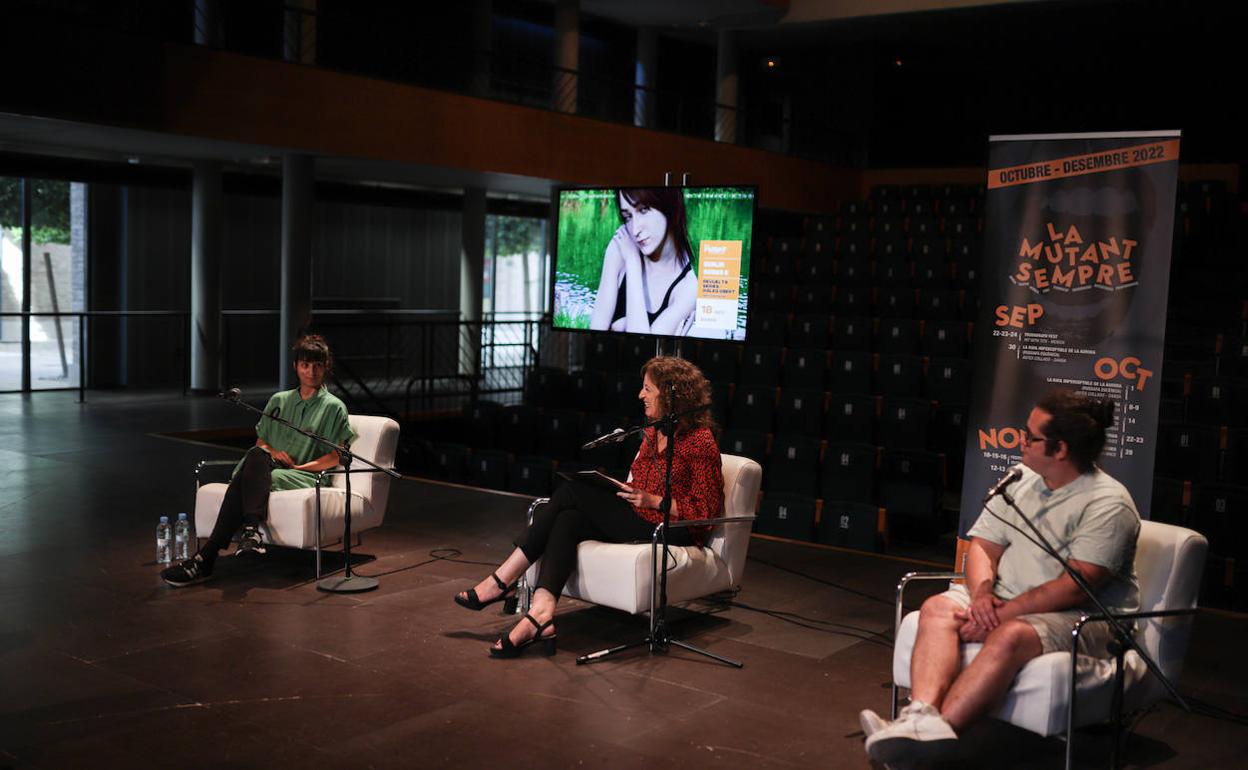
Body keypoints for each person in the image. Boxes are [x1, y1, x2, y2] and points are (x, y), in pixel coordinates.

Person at [860, 389, 1140, 768]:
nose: (1019, 440)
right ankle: (919, 717)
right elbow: (983, 546)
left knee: (1011, 634)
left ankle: (935, 736)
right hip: (1003, 599)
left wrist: (1001, 615)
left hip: (1084, 617)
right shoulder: (1021, 479)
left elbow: (1076, 585)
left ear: (1060, 450)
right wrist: (981, 597)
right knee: (939, 606)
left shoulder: (1108, 503)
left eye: (1031, 437)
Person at [454, 356, 724, 658]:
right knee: (567, 518)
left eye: (647, 389)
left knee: (571, 491)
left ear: (672, 394)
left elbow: (706, 513)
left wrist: (654, 500)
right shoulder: (651, 432)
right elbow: (645, 485)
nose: (640, 395)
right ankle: (540, 616)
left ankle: (503, 579)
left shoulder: (700, 442)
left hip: (671, 527)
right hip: (640, 513)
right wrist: (629, 490)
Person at [161, 334, 356, 587]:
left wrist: (299, 466)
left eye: (318, 364)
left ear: (326, 366)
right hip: (267, 468)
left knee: (251, 475)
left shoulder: (333, 407)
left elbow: (336, 455)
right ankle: (249, 533)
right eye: (305, 364)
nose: (311, 371)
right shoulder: (279, 401)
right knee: (256, 456)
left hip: (305, 474)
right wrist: (273, 453)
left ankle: (205, 557)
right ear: (296, 366)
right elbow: (261, 443)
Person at [588, 188, 698, 336]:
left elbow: (646, 347)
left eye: (643, 210)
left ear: (669, 205)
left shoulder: (689, 288)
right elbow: (595, 332)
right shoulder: (619, 248)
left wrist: (632, 263)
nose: (635, 230)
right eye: (627, 217)